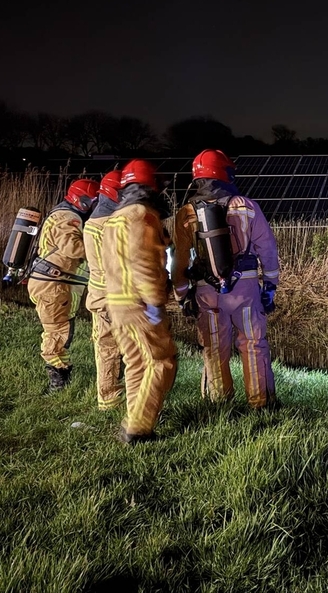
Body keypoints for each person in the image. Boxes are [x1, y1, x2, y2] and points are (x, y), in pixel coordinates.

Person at [171, 149, 280, 409]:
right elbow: (268, 249)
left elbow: (180, 260)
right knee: (253, 345)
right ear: (226, 173)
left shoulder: (185, 213)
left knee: (214, 348)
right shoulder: (247, 206)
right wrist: (271, 286)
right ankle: (261, 403)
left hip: (207, 293)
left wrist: (182, 295)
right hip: (246, 290)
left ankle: (221, 404)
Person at [101, 159, 178, 444]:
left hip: (117, 302)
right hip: (139, 305)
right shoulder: (143, 215)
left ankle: (135, 417)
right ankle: (138, 429)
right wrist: (155, 301)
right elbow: (143, 261)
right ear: (149, 187)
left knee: (136, 363)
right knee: (162, 361)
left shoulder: (114, 218)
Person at [27, 178, 99, 392]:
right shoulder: (67, 217)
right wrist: (102, 245)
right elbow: (73, 248)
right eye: (93, 201)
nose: (96, 206)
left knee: (61, 329)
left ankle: (62, 374)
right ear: (83, 200)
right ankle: (57, 384)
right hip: (53, 285)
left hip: (55, 284)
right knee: (57, 332)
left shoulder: (66, 214)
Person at [82, 169, 124, 410]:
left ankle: (108, 400)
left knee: (106, 349)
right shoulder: (116, 224)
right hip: (121, 297)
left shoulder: (91, 224)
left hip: (99, 299)